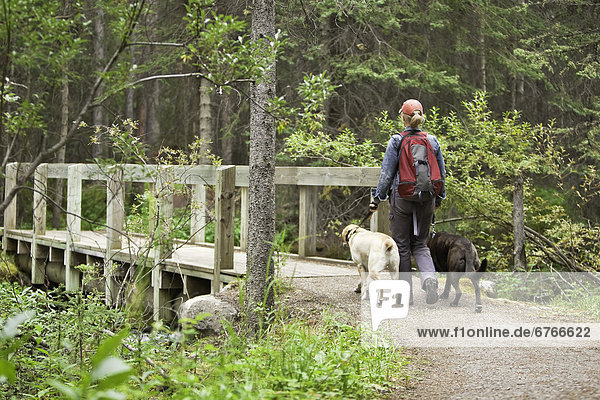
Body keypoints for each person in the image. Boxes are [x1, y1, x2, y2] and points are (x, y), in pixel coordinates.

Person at [369, 99, 446, 304]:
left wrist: (377, 198)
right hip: (427, 198)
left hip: (402, 198)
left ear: (403, 117)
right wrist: (439, 197)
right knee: (421, 244)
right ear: (421, 117)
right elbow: (442, 173)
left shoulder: (397, 140)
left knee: (402, 246)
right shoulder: (432, 140)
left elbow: (386, 174)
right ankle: (429, 279)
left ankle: (405, 294)